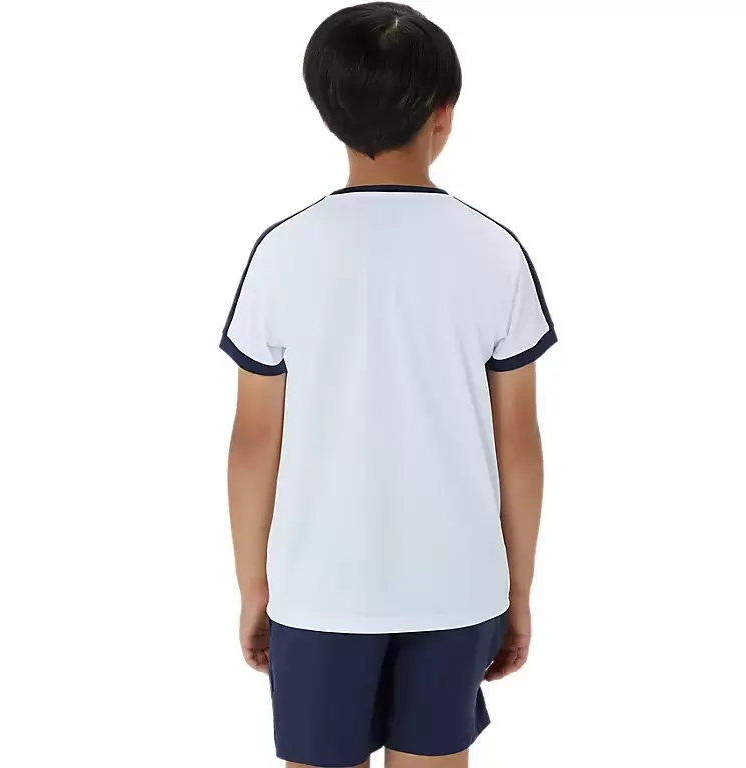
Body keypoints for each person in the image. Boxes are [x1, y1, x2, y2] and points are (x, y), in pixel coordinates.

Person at [221, 4, 555, 766]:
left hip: (319, 589)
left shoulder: (282, 253)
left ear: (326, 110)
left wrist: (253, 586)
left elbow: (253, 440)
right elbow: (518, 441)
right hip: (457, 586)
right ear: (445, 114)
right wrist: (519, 589)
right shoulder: (495, 253)